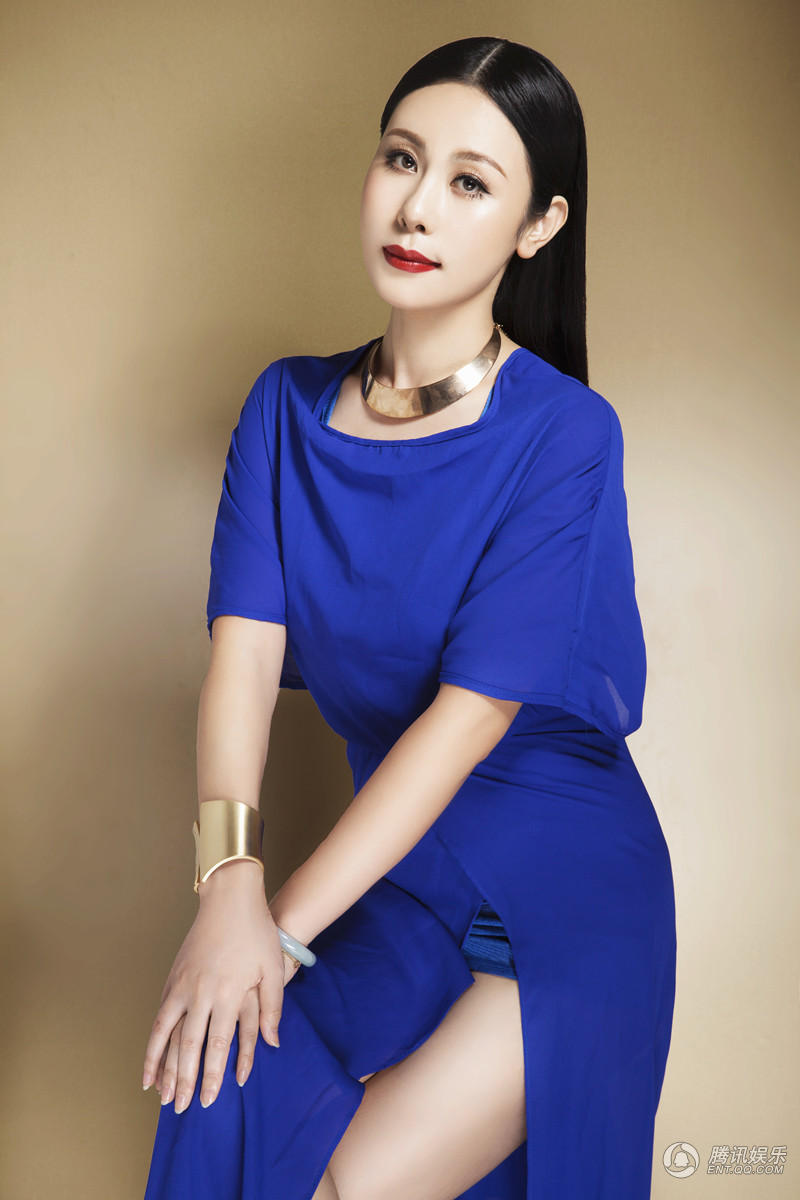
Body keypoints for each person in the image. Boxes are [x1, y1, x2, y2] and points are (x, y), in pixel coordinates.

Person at [141, 35, 677, 1200]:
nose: (417, 205)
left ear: (537, 225)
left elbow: (467, 719)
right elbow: (242, 660)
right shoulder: (283, 408)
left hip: (563, 888)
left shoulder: (563, 434)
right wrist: (227, 883)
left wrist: (275, 932)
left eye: (470, 182)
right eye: (401, 158)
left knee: (352, 1183)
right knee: (219, 1082)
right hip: (403, 878)